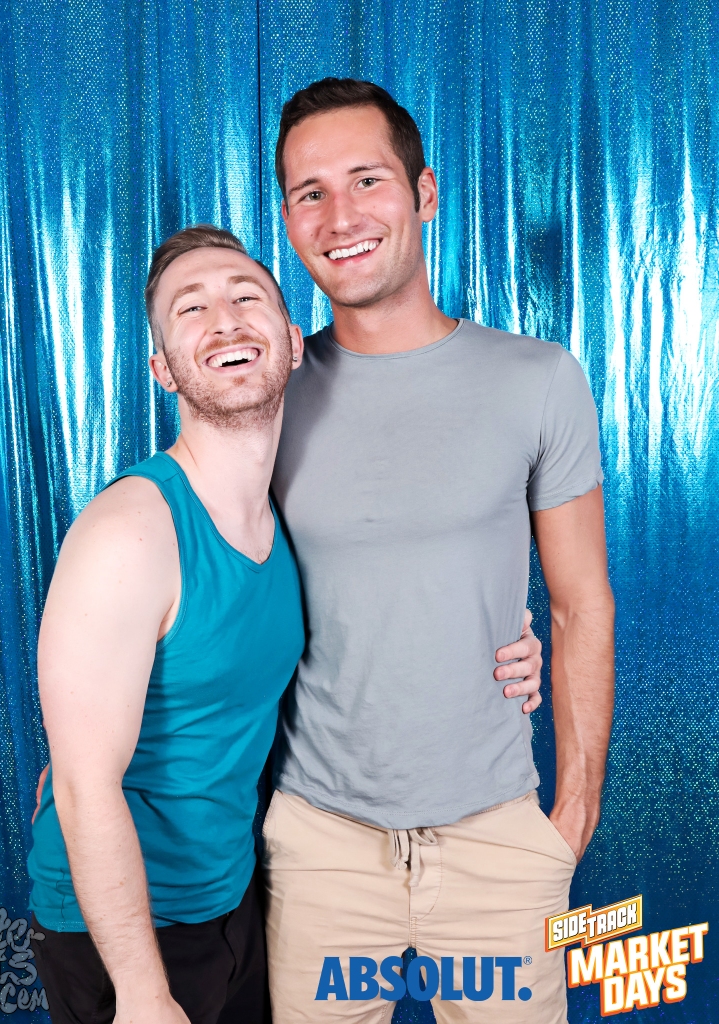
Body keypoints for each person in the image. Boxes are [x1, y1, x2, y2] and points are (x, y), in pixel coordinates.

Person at [26, 223, 545, 1024]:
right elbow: (80, 783)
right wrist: (141, 992)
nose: (224, 321)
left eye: (245, 298)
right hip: (126, 933)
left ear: (294, 344)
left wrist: (505, 643)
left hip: (234, 901)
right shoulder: (130, 532)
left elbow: (378, 611)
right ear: (163, 369)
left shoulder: (282, 515)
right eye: (190, 309)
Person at [263, 78, 615, 1024]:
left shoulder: (538, 379)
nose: (340, 217)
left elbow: (580, 603)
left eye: (366, 180)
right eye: (309, 193)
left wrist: (571, 816)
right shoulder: (265, 395)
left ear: (422, 193)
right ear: (288, 220)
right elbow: (195, 579)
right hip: (320, 846)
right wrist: (99, 740)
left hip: (496, 841)